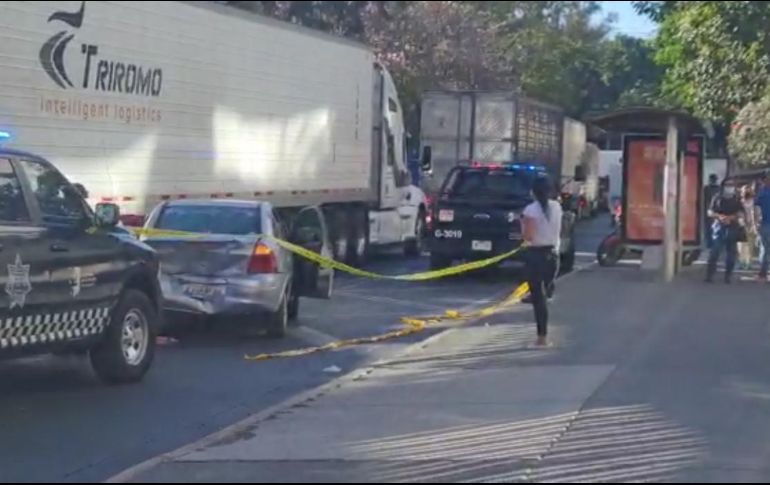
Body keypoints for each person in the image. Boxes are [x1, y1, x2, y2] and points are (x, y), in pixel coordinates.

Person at [522, 175, 562, 347]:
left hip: (535, 255)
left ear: (533, 192)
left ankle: (541, 338)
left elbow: (528, 237)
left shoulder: (530, 210)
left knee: (539, 300)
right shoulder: (557, 207)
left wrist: (522, 226)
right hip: (553, 254)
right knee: (544, 294)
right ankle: (549, 290)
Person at [706, 182, 745, 284]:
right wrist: (719, 216)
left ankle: (728, 276)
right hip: (719, 227)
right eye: (728, 185)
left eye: (732, 185)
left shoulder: (737, 198)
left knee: (731, 254)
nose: (730, 187)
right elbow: (710, 211)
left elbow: (741, 212)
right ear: (723, 186)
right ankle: (710, 275)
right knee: (715, 251)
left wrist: (732, 217)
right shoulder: (717, 197)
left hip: (733, 227)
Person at [738, 185, 758, 270]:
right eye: (745, 190)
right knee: (741, 245)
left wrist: (755, 224)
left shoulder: (754, 202)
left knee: (750, 245)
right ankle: (742, 262)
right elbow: (738, 214)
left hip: (751, 225)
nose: (747, 192)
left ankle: (749, 262)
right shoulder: (739, 202)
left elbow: (757, 213)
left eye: (748, 190)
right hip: (741, 225)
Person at [755, 173, 770, 280]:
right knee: (764, 248)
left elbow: (756, 209)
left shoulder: (761, 193)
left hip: (764, 224)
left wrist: (756, 223)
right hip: (764, 224)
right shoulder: (761, 192)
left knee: (764, 248)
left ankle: (763, 273)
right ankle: (763, 272)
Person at [703, 174, 720, 249]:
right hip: (714, 210)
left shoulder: (706, 188)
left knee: (709, 228)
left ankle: (710, 243)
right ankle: (713, 243)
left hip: (709, 210)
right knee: (712, 227)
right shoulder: (718, 189)